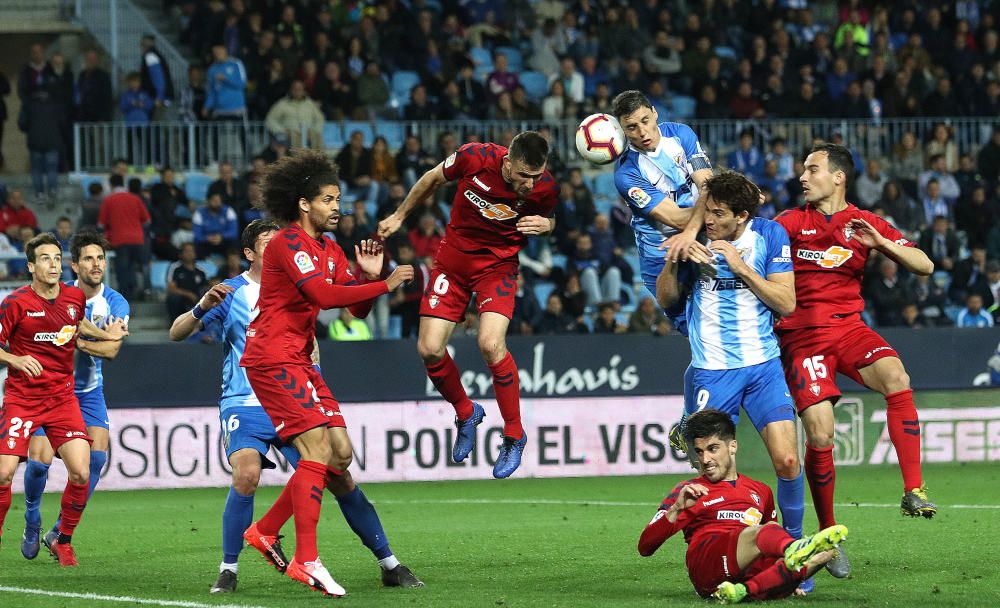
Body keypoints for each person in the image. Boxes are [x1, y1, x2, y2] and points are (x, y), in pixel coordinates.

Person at [169, 220, 419, 593]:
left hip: (290, 390)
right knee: (247, 474)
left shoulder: (301, 278)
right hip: (244, 400)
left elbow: (341, 308)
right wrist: (201, 307)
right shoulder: (233, 291)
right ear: (251, 254)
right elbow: (176, 332)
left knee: (337, 472)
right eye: (269, 243)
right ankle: (229, 568)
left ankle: (388, 562)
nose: (282, 247)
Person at [239, 150, 415, 596]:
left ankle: (265, 530)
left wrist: (367, 278)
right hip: (273, 357)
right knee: (315, 449)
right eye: (328, 199)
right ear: (304, 204)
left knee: (339, 454)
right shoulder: (287, 243)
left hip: (299, 358)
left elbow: (353, 307)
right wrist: (388, 283)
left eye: (339, 199)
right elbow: (320, 292)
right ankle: (307, 559)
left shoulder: (329, 249)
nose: (338, 207)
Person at [655, 172, 831, 582]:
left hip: (763, 367)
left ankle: (795, 553)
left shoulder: (769, 235)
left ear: (743, 216)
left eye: (718, 213)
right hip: (712, 370)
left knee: (788, 460)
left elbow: (786, 303)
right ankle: (712, 547)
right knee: (707, 464)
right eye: (707, 210)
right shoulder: (694, 238)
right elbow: (665, 299)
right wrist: (674, 257)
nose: (708, 219)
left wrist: (741, 267)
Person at [376, 132, 558, 479]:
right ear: (508, 163)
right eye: (524, 176)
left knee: (490, 343)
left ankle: (514, 435)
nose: (530, 183)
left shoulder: (545, 187)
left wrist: (548, 225)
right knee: (429, 349)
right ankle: (466, 411)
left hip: (498, 267)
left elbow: (551, 218)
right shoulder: (474, 158)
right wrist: (400, 216)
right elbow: (431, 179)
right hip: (453, 264)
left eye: (536, 176)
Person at [775, 143, 937, 532]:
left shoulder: (865, 222)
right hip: (803, 338)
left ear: (838, 177)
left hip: (848, 329)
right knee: (820, 432)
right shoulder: (789, 222)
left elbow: (925, 265)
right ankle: (828, 529)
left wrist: (881, 244)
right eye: (803, 170)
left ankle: (914, 489)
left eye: (813, 169)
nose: (803, 177)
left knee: (897, 377)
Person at [0, 233, 126, 565]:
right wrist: (15, 359)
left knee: (86, 469)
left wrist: (104, 334)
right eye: (45, 258)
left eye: (56, 258)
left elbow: (79, 326)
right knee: (19, 468)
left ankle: (61, 537)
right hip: (25, 398)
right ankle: (29, 519)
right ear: (31, 266)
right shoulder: (18, 302)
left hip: (70, 396)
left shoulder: (85, 298)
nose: (53, 264)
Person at [638, 410, 850, 604]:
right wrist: (675, 509)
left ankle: (745, 590)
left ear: (733, 446)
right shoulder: (689, 491)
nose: (705, 459)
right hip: (707, 564)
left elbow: (767, 546)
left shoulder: (760, 491)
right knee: (767, 532)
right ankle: (792, 556)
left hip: (746, 569)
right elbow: (645, 547)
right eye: (699, 452)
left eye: (712, 449)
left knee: (826, 552)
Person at [611, 90, 714, 335]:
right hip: (662, 258)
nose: (642, 132)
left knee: (723, 328)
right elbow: (676, 218)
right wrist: (724, 211)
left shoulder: (680, 134)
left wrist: (704, 224)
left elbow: (708, 185)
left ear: (655, 113)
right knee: (700, 336)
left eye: (645, 120)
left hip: (700, 237)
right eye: (632, 127)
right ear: (623, 131)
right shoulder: (627, 174)